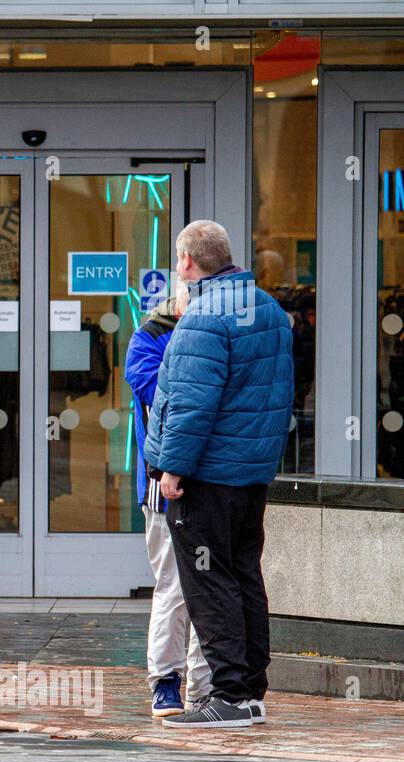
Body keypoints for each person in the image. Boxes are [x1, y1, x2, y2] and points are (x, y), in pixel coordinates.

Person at [143, 221, 294, 729]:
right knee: (245, 574)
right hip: (250, 477)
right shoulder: (268, 309)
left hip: (206, 477)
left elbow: (190, 403)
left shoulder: (204, 314)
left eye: (178, 262)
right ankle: (250, 692)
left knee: (210, 581)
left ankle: (229, 694)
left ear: (187, 261)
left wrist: (171, 468)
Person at [125, 280, 212, 716]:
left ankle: (203, 688)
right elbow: (158, 396)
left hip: (213, 484)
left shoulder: (217, 333)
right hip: (163, 487)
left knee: (211, 590)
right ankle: (165, 681)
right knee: (175, 588)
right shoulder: (149, 336)